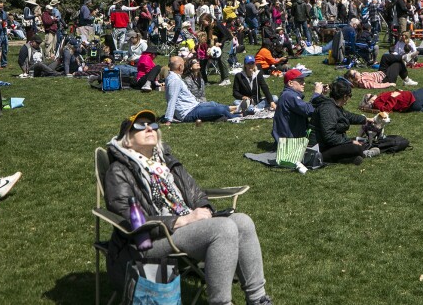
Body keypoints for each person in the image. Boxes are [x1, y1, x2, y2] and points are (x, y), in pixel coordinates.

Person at [103, 109, 272, 305]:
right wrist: (180, 220)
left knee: (242, 221)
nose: (149, 128)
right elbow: (127, 216)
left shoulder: (165, 162)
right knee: (223, 229)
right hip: (150, 239)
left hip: (183, 227)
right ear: (128, 139)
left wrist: (204, 209)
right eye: (140, 126)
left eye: (153, 125)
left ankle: (258, 299)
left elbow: (195, 192)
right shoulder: (119, 171)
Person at [311, 79, 381, 164]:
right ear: (344, 96)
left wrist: (366, 119)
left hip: (332, 144)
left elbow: (347, 115)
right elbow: (329, 137)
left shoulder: (334, 105)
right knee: (356, 147)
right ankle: (363, 153)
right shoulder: (328, 109)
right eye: (349, 95)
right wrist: (350, 142)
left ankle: (351, 158)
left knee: (362, 141)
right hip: (321, 149)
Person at [161, 57, 235, 123]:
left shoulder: (175, 77)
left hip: (194, 106)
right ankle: (237, 116)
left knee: (214, 105)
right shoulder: (174, 80)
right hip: (188, 113)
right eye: (183, 64)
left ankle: (237, 110)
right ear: (180, 67)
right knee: (219, 110)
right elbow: (172, 99)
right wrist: (168, 119)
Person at [271, 69, 322, 146]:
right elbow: (309, 111)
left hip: (289, 140)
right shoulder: (289, 96)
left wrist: (321, 95)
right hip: (288, 143)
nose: (304, 83)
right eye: (300, 81)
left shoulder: (288, 95)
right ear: (290, 83)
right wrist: (317, 94)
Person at [359, 86, 423, 114]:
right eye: (371, 95)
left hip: (412, 105)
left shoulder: (378, 99)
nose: (373, 94)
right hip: (412, 99)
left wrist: (397, 92)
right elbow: (386, 109)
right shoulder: (377, 103)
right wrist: (393, 97)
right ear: (370, 101)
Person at [343, 53, 417, 89]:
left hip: (381, 73)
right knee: (397, 64)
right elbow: (375, 85)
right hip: (385, 79)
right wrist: (389, 84)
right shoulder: (363, 82)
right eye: (354, 72)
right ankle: (407, 81)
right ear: (353, 79)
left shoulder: (361, 76)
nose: (356, 70)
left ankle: (403, 57)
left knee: (385, 57)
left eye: (354, 70)